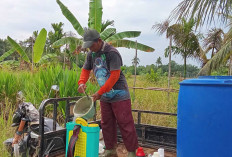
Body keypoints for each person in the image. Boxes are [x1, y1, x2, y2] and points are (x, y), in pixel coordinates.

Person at [78, 28, 138, 157]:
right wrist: (81, 82)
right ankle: (110, 149)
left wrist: (100, 92)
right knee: (106, 123)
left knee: (125, 122)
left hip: (119, 93)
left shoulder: (112, 53)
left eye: (92, 45)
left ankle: (132, 151)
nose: (90, 49)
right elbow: (85, 70)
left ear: (99, 41)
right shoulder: (90, 54)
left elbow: (115, 76)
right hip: (104, 95)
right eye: (88, 47)